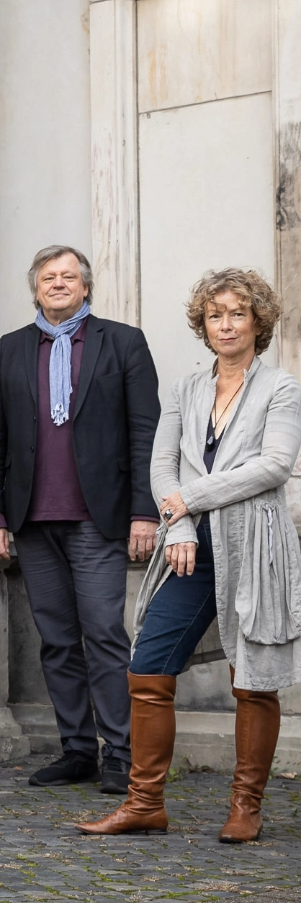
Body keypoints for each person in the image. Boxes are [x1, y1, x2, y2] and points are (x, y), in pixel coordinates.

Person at [79, 269, 301, 841]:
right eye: (214, 315)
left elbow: (274, 465)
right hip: (189, 547)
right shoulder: (185, 389)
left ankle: (246, 805)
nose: (225, 324)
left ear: (258, 322)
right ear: (203, 325)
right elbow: (161, 465)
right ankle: (144, 801)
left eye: (237, 313)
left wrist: (188, 500)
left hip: (253, 545)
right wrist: (176, 527)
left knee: (252, 677)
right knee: (148, 664)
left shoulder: (281, 388)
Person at [0, 245, 160, 795]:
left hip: (98, 520)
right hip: (32, 521)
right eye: (48, 277)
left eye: (68, 276)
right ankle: (77, 750)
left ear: (85, 287)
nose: (58, 284)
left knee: (104, 635)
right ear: (35, 288)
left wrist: (145, 513)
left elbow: (145, 433)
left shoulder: (123, 342)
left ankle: (120, 754)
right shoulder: (12, 348)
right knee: (56, 640)